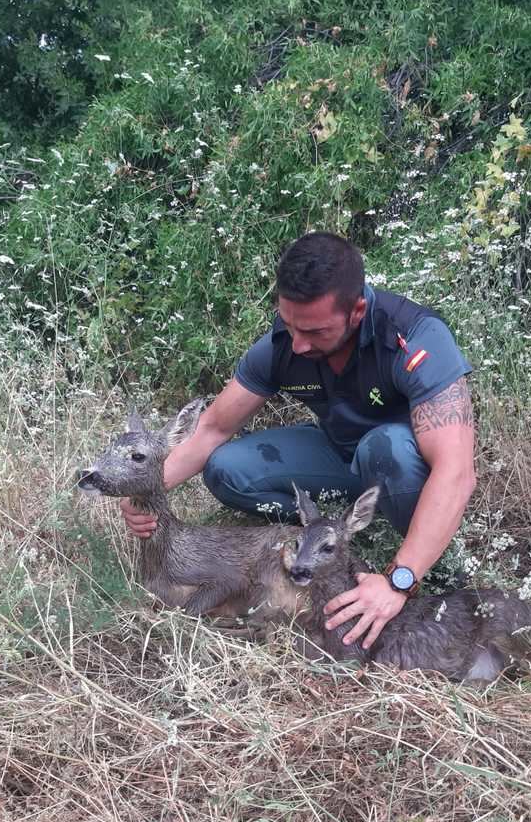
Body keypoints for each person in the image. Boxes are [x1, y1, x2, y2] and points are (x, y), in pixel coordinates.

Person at [122, 232, 476, 651]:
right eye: (290, 325)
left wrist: (400, 581)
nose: (299, 343)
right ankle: (323, 538)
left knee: (388, 449)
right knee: (228, 468)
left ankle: (411, 556)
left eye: (315, 331)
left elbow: (456, 473)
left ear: (357, 311)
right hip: (337, 454)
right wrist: (146, 490)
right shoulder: (286, 343)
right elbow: (212, 428)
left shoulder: (414, 338)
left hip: (395, 466)